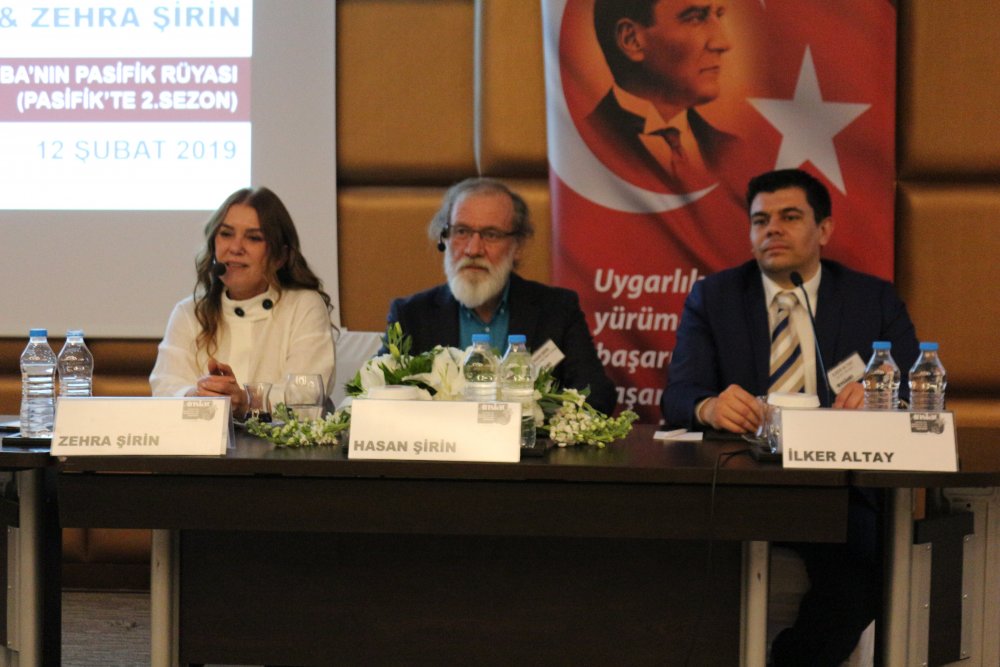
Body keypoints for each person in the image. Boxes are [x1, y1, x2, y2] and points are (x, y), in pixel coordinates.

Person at [662, 168, 919, 666]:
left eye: (790, 217)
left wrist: (879, 396)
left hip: (839, 487)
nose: (772, 230)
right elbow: (677, 395)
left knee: (864, 571)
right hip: (740, 484)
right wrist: (709, 406)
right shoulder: (714, 297)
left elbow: (912, 381)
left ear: (824, 229)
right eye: (760, 221)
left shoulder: (871, 299)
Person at [385, 177, 617, 415]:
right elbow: (378, 395)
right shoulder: (411, 315)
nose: (473, 249)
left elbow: (597, 395)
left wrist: (539, 419)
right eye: (462, 231)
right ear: (444, 237)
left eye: (491, 234)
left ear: (517, 246)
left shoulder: (557, 310)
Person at [150, 187, 336, 418]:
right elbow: (165, 386)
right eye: (226, 234)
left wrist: (247, 402)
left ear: (280, 256)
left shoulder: (304, 306)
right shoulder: (190, 312)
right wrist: (197, 396)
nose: (235, 248)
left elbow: (306, 396)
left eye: (253, 238)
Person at [586, 0, 743, 191]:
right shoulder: (581, 153)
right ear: (632, 39)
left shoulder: (735, 152)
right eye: (695, 18)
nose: (723, 43)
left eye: (718, 15)